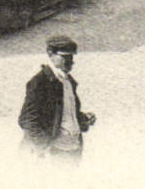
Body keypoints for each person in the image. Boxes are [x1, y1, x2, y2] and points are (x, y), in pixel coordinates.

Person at [18, 35, 95, 163]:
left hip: (72, 150)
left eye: (71, 57)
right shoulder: (40, 82)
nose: (70, 61)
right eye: (64, 57)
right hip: (53, 153)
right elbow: (26, 120)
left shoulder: (68, 82)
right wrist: (43, 147)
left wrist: (83, 119)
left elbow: (64, 114)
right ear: (50, 54)